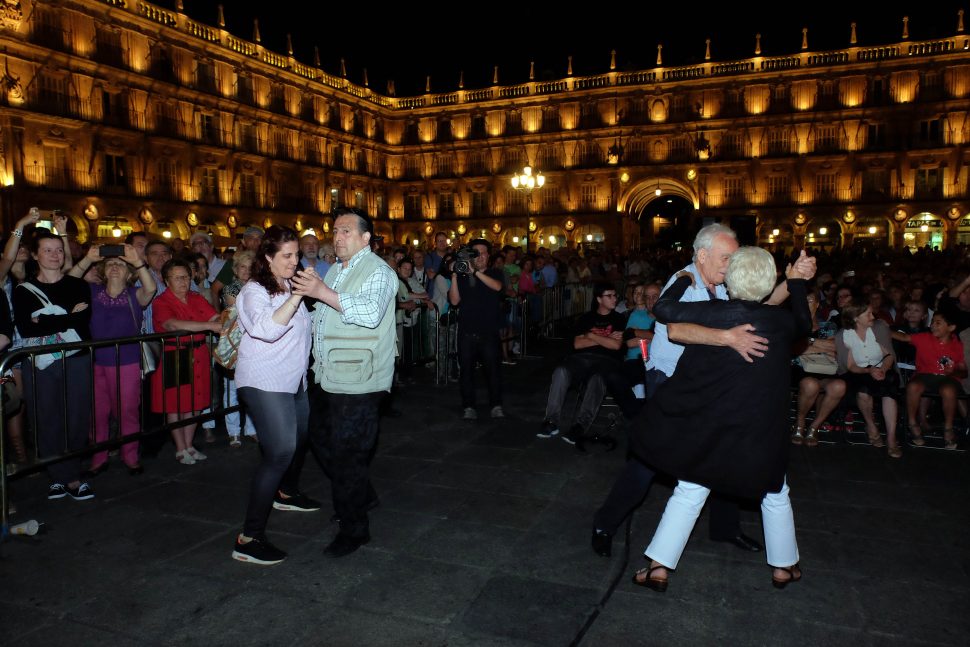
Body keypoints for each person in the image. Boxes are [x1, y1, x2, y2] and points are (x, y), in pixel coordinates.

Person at [591, 224, 790, 558]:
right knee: (649, 458)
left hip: (706, 384)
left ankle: (725, 529)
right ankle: (605, 523)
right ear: (702, 255)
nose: (731, 264)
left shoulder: (723, 286)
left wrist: (792, 281)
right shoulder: (683, 282)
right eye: (726, 257)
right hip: (669, 382)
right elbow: (677, 329)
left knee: (721, 451)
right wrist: (727, 337)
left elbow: (761, 305)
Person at [630, 246, 814, 592]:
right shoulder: (780, 322)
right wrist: (798, 282)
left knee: (690, 489)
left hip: (714, 423)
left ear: (732, 280)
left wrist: (684, 278)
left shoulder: (715, 313)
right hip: (760, 427)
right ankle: (784, 567)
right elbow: (805, 323)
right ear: (768, 280)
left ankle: (658, 567)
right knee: (775, 491)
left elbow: (666, 310)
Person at [291, 208, 397, 558]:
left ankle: (354, 528)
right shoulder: (336, 269)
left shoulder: (379, 271)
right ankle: (361, 494)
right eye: (335, 231)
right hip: (328, 375)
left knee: (349, 455)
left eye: (346, 231)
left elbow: (368, 314)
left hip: (360, 380)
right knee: (320, 440)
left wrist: (320, 291)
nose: (337, 237)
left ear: (366, 238)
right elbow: (324, 314)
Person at [231, 226, 317, 566]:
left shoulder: (286, 285)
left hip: (293, 380)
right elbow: (265, 330)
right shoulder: (254, 290)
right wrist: (297, 297)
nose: (295, 261)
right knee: (280, 451)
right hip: (263, 380)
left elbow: (303, 332)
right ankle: (248, 538)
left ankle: (287, 492)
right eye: (287, 255)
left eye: (296, 254)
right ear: (268, 257)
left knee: (301, 437)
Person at [13, 229, 94, 501]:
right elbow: (26, 329)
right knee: (46, 417)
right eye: (47, 250)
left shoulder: (78, 285)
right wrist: (68, 317)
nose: (54, 255)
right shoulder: (23, 289)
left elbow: (82, 323)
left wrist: (46, 322)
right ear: (35, 255)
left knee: (77, 416)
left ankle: (73, 475)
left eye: (58, 249)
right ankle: (56, 476)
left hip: (77, 359)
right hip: (41, 363)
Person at [73, 244, 155, 476]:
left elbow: (151, 288)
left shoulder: (134, 294)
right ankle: (99, 457)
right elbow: (69, 281)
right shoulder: (92, 292)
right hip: (96, 361)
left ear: (130, 274)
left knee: (127, 410)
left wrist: (137, 261)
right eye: (110, 264)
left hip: (127, 360)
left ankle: (130, 455)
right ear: (103, 270)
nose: (115, 267)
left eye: (120, 264)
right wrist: (88, 259)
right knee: (97, 413)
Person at [537, 282, 625, 445]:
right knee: (561, 371)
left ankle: (580, 426)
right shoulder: (586, 318)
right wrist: (605, 339)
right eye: (610, 296)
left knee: (598, 379)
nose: (614, 299)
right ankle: (551, 421)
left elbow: (616, 345)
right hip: (581, 358)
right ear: (599, 299)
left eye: (615, 296)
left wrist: (591, 336)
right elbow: (577, 344)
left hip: (606, 361)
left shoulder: (619, 319)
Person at [151, 258, 221, 464]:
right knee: (176, 405)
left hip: (198, 353)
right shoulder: (161, 301)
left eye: (186, 277)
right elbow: (172, 325)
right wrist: (208, 326)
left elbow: (213, 317)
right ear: (166, 280)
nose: (183, 281)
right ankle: (180, 448)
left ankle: (189, 444)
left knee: (196, 402)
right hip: (175, 354)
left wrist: (225, 318)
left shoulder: (196, 297)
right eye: (178, 278)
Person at [448, 238, 506, 420]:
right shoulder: (464, 276)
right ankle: (468, 406)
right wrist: (455, 275)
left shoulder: (496, 273)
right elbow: (454, 301)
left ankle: (496, 405)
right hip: (467, 332)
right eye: (476, 253)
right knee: (466, 372)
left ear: (488, 255)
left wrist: (475, 272)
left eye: (483, 253)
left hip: (489, 332)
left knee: (493, 372)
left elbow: (497, 287)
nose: (480, 256)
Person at [894, 310, 966, 450]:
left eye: (938, 323)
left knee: (949, 390)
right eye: (932, 322)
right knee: (913, 386)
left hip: (948, 378)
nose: (933, 325)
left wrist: (954, 371)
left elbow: (964, 372)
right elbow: (904, 338)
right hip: (925, 375)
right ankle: (912, 423)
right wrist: (884, 330)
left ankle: (948, 428)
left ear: (951, 327)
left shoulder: (957, 345)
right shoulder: (924, 338)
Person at [836, 300, 900, 457]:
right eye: (868, 314)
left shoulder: (879, 328)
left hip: (882, 368)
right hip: (859, 371)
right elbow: (850, 366)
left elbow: (889, 355)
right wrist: (869, 371)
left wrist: (883, 369)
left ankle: (891, 438)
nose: (873, 316)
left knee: (889, 388)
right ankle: (871, 426)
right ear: (856, 318)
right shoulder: (844, 335)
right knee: (863, 391)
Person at [791, 291, 847, 446]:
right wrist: (817, 345)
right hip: (798, 368)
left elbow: (834, 348)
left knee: (839, 386)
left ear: (817, 304)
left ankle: (814, 426)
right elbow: (793, 349)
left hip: (826, 368)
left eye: (809, 300)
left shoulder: (828, 325)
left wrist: (808, 342)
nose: (805, 304)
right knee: (810, 384)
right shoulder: (792, 324)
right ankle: (800, 423)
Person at [220, 249, 257, 447]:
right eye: (242, 267)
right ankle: (233, 431)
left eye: (250, 268)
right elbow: (240, 313)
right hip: (235, 344)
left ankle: (251, 429)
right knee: (232, 390)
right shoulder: (231, 289)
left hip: (254, 343)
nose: (246, 271)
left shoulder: (259, 287)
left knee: (251, 389)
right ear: (236, 269)